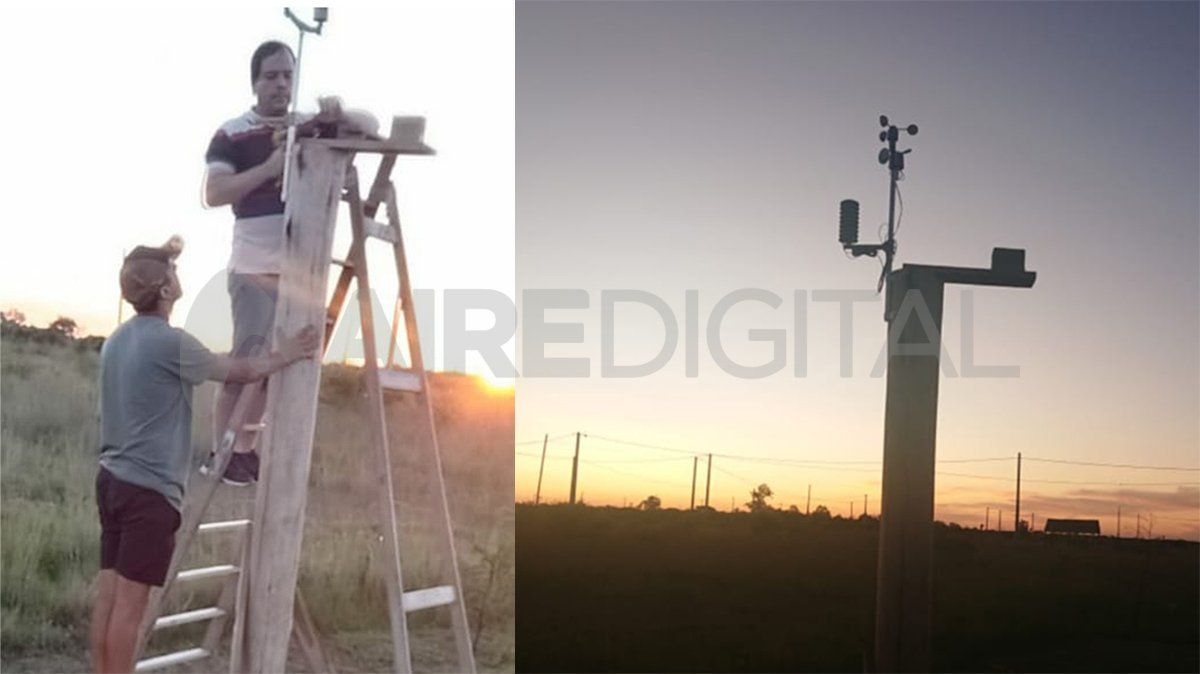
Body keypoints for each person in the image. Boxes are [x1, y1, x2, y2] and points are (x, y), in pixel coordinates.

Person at [90, 240, 318, 674]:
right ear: (164, 290)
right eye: (172, 272)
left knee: (110, 597)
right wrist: (287, 353)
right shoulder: (169, 342)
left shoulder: (117, 340)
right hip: (148, 493)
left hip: (112, 481)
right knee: (130, 610)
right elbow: (240, 371)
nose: (178, 277)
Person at [202, 40, 358, 485]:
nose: (280, 84)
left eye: (288, 76)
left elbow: (365, 127)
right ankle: (222, 454)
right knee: (246, 363)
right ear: (255, 82)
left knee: (280, 367)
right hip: (254, 264)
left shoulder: (304, 126)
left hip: (301, 266)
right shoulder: (233, 132)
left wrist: (337, 112)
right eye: (271, 76)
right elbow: (215, 193)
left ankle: (246, 451)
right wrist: (269, 169)